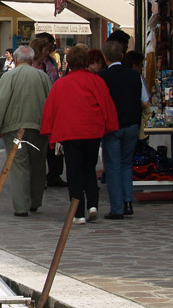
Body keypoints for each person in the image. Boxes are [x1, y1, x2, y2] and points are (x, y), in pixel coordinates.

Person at [41, 44, 119, 224]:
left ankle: (78, 212)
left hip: (70, 132)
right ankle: (93, 204)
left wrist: (48, 131)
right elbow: (106, 104)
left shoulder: (61, 83)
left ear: (69, 62)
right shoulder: (96, 81)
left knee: (74, 172)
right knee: (89, 169)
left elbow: (50, 109)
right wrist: (109, 125)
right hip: (92, 131)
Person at [0, 45, 52, 217]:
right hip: (39, 127)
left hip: (14, 128)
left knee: (19, 166)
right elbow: (50, 101)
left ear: (15, 60)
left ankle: (21, 206)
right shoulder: (42, 76)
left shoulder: (9, 77)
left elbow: (1, 102)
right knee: (38, 165)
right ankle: (35, 201)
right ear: (31, 60)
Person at [99, 40, 149, 220]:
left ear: (105, 58)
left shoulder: (102, 77)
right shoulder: (135, 76)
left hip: (112, 126)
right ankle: (128, 201)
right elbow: (145, 102)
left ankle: (117, 208)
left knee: (112, 167)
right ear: (122, 56)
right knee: (127, 164)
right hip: (132, 125)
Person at [32, 35, 64, 187]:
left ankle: (54, 174)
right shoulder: (33, 65)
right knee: (39, 144)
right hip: (39, 107)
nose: (50, 49)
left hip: (53, 106)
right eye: (48, 47)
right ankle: (40, 175)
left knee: (53, 143)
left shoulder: (51, 61)